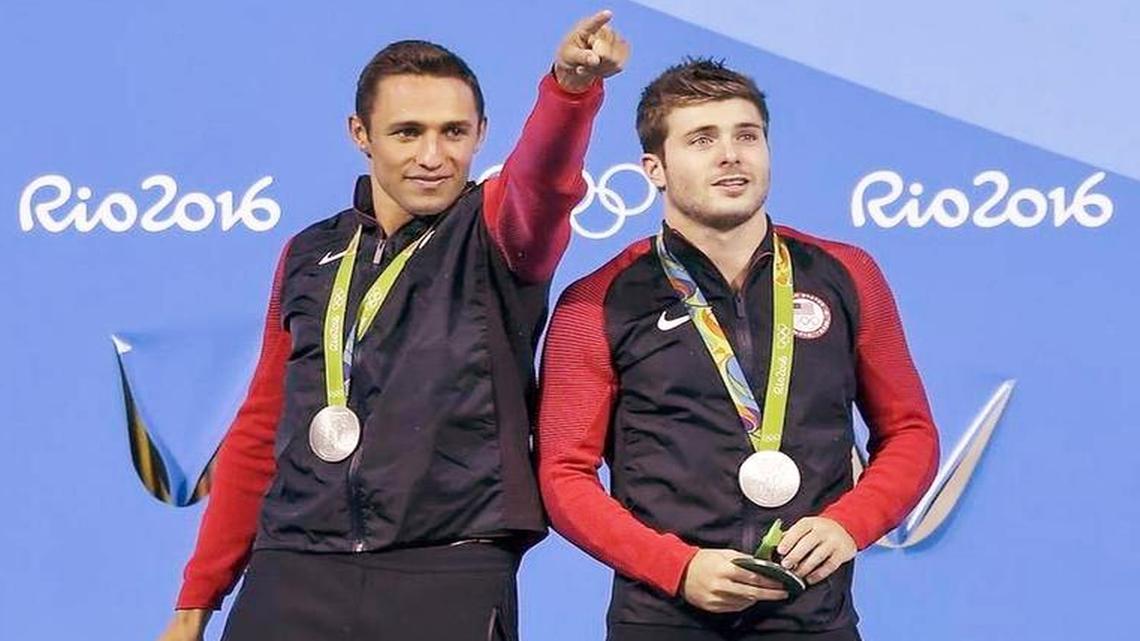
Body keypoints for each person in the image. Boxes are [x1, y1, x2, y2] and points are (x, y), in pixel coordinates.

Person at [156, 11, 629, 641]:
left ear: (482, 134)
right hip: (292, 566)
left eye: (454, 132)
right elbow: (261, 425)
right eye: (407, 133)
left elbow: (543, 183)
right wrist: (195, 603)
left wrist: (569, 91)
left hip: (448, 567)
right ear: (361, 133)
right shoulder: (308, 253)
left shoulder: (498, 234)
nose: (433, 156)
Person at [537, 58, 939, 641]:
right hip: (663, 618)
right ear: (655, 168)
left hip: (813, 619)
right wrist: (677, 568)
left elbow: (911, 431)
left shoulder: (847, 274)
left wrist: (848, 526)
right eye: (702, 139)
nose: (731, 154)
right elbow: (563, 475)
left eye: (746, 135)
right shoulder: (597, 301)